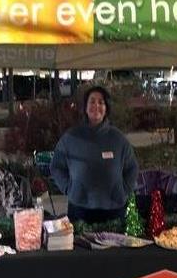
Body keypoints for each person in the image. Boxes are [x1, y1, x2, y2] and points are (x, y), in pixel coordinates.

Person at [51, 86, 138, 223]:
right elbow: (56, 166)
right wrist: (68, 188)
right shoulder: (71, 137)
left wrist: (124, 190)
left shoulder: (118, 139)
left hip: (114, 210)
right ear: (85, 107)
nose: (96, 105)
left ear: (106, 108)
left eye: (101, 102)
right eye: (92, 101)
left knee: (115, 246)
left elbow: (132, 168)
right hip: (80, 209)